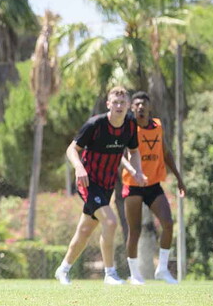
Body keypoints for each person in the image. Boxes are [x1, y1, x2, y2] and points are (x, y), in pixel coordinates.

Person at [55, 86, 145, 286]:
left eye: (123, 103)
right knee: (110, 222)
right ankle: (110, 273)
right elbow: (72, 149)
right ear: (108, 104)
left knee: (85, 230)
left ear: (128, 106)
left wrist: (137, 171)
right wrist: (79, 167)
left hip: (107, 185)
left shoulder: (130, 125)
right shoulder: (95, 124)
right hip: (88, 182)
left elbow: (134, 151)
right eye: (115, 102)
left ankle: (63, 269)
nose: (119, 106)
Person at [120, 91, 187, 285]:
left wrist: (179, 178)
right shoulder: (128, 128)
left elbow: (166, 152)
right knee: (134, 231)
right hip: (133, 185)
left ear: (150, 107)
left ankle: (162, 270)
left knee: (168, 223)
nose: (141, 107)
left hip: (153, 185)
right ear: (132, 108)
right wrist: (132, 170)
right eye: (137, 104)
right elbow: (120, 155)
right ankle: (135, 275)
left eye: (144, 104)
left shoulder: (157, 126)